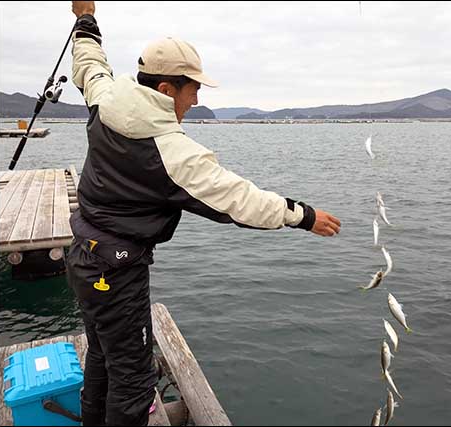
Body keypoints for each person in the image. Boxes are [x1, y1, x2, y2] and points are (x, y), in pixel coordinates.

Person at [66, 1, 342, 425]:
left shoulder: (106, 100)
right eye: (191, 88)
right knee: (134, 377)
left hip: (83, 256)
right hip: (118, 272)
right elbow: (240, 199)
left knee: (103, 354)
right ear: (164, 89)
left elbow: (89, 63)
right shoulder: (173, 153)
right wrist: (304, 216)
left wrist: (85, 18)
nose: (195, 100)